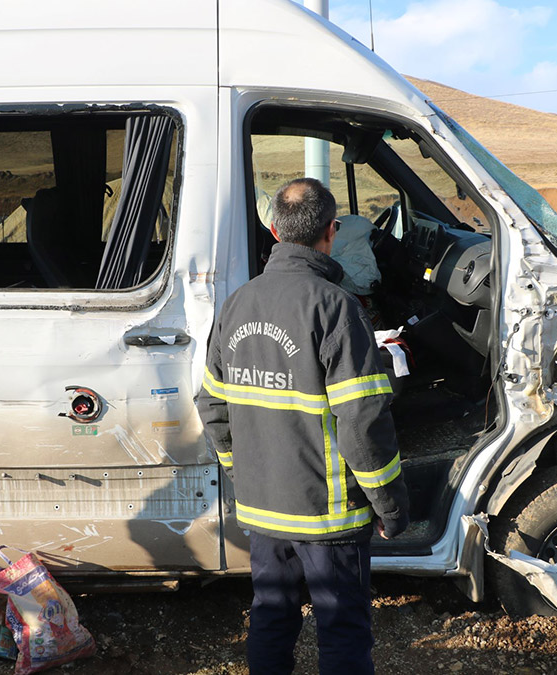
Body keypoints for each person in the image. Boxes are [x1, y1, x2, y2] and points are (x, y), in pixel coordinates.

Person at [196, 178, 409, 675]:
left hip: (264, 508)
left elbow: (212, 405)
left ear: (274, 230)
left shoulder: (236, 305)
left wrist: (243, 472)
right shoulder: (336, 308)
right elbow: (362, 421)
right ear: (331, 232)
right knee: (342, 631)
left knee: (271, 619)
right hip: (329, 516)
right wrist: (390, 505)